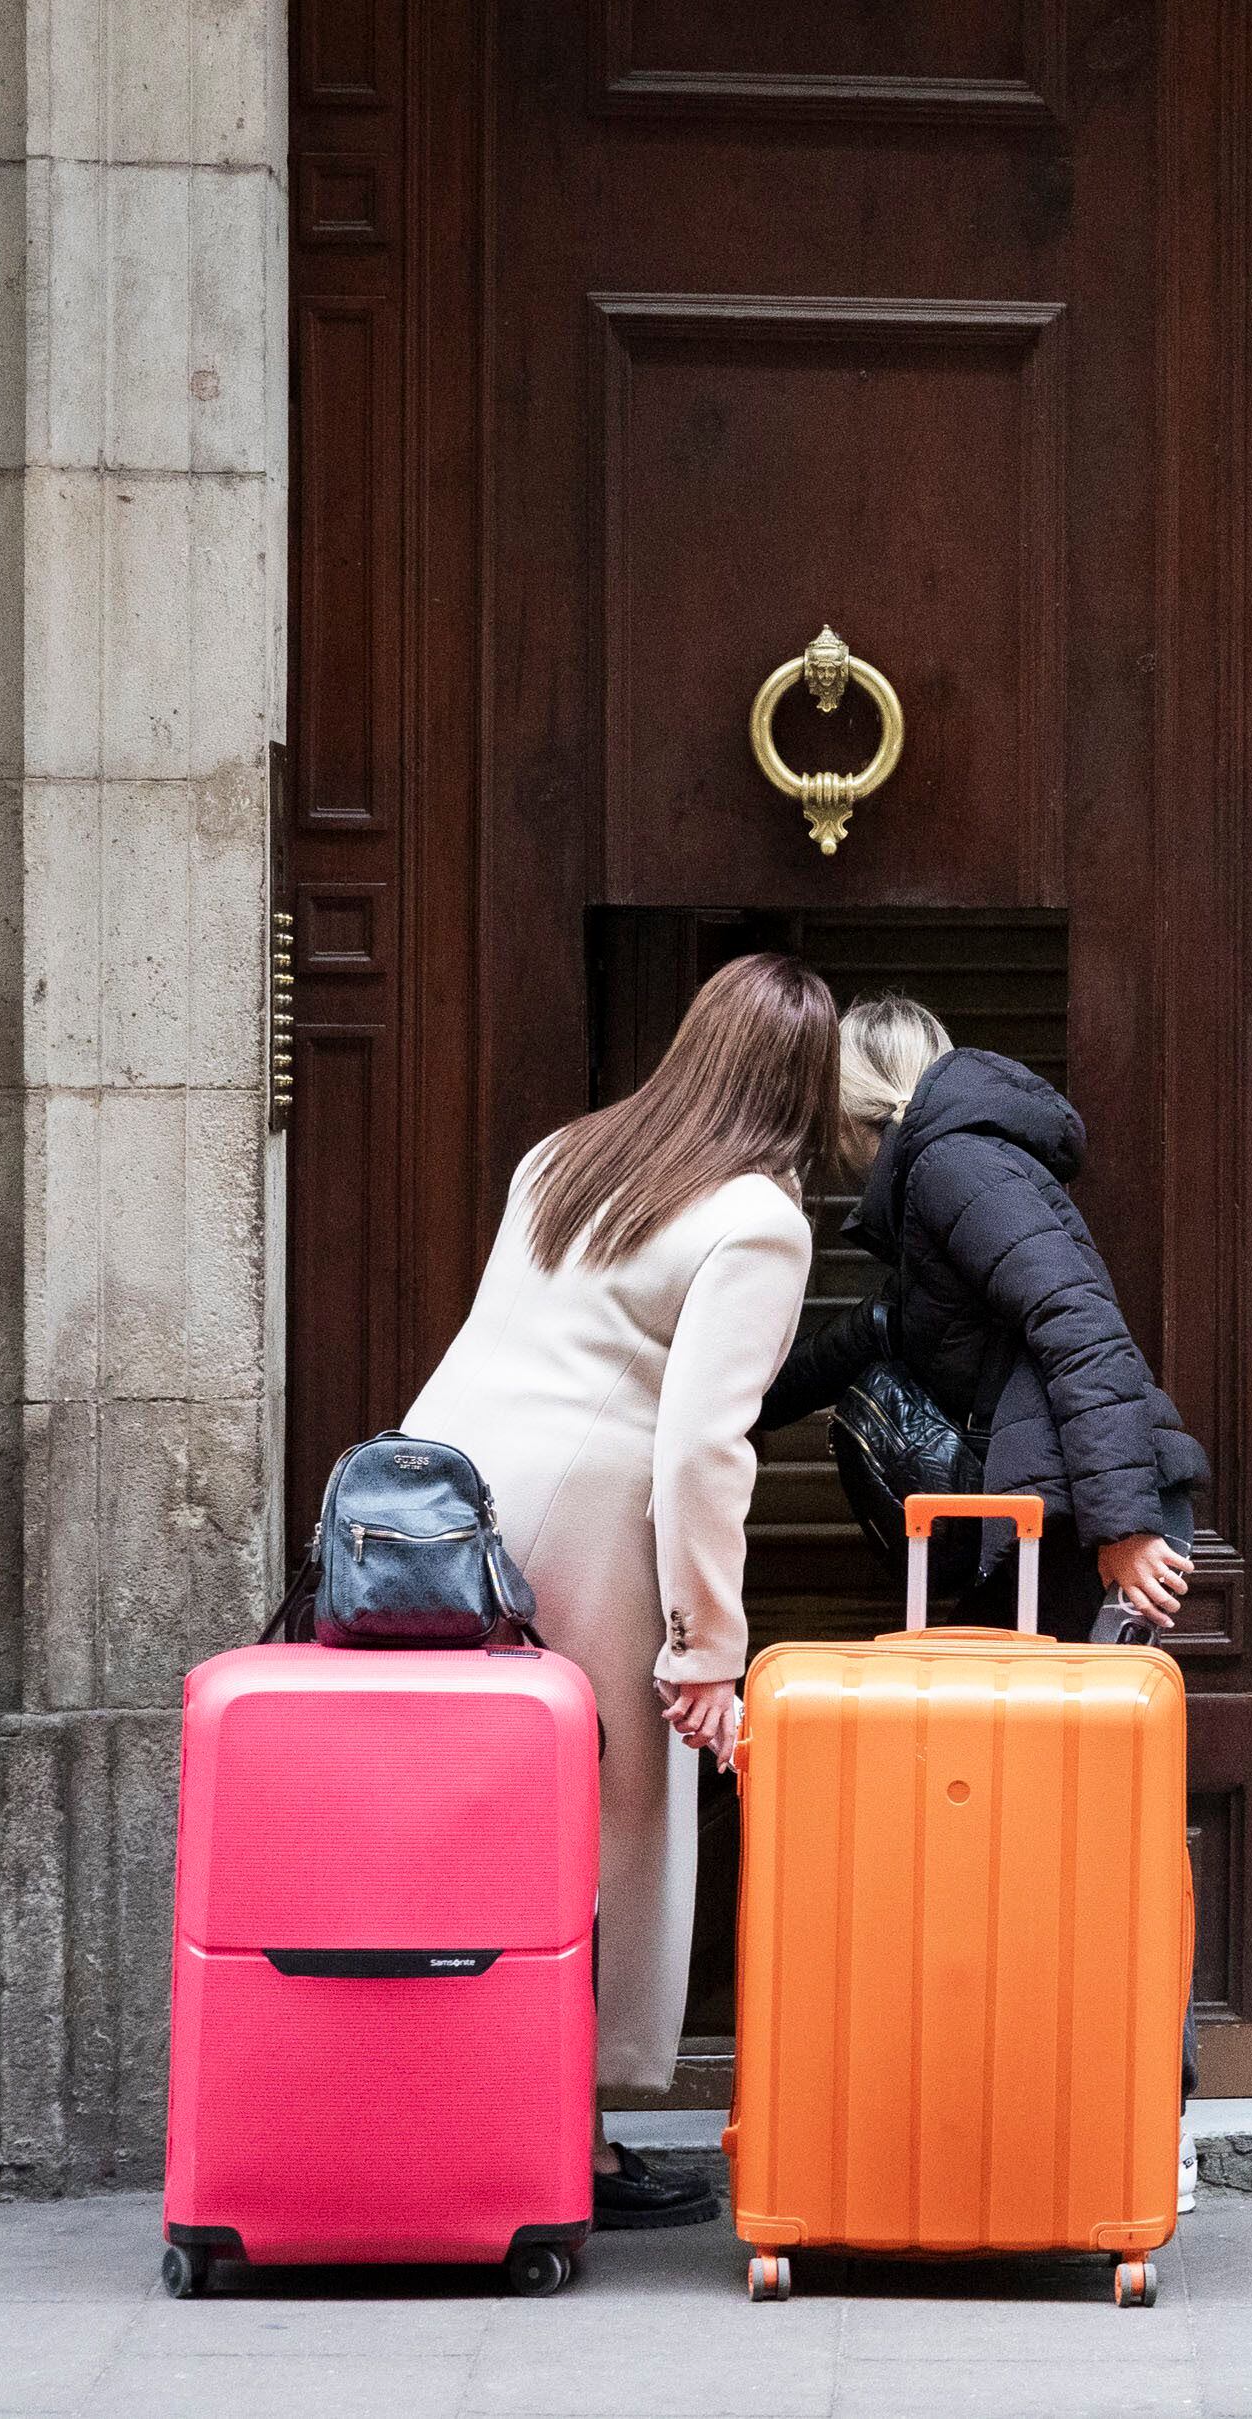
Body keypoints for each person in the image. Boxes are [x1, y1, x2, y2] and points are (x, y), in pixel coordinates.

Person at [396, 952, 834, 2230]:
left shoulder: (566, 1153)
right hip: (579, 1522)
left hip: (437, 1495)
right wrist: (706, 1640)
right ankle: (569, 2137)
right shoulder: (757, 1215)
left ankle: (468, 2104)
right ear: (800, 1088)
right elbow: (703, 1445)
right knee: (615, 1825)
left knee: (476, 1816)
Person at [761, 995, 1205, 1640]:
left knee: (1036, 1731)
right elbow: (872, 1331)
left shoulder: (953, 1166)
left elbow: (1079, 1328)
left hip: (1095, 1518)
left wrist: (1123, 1528)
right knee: (997, 1721)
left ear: (849, 1105)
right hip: (1062, 1506)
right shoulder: (945, 1170)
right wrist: (742, 1407)